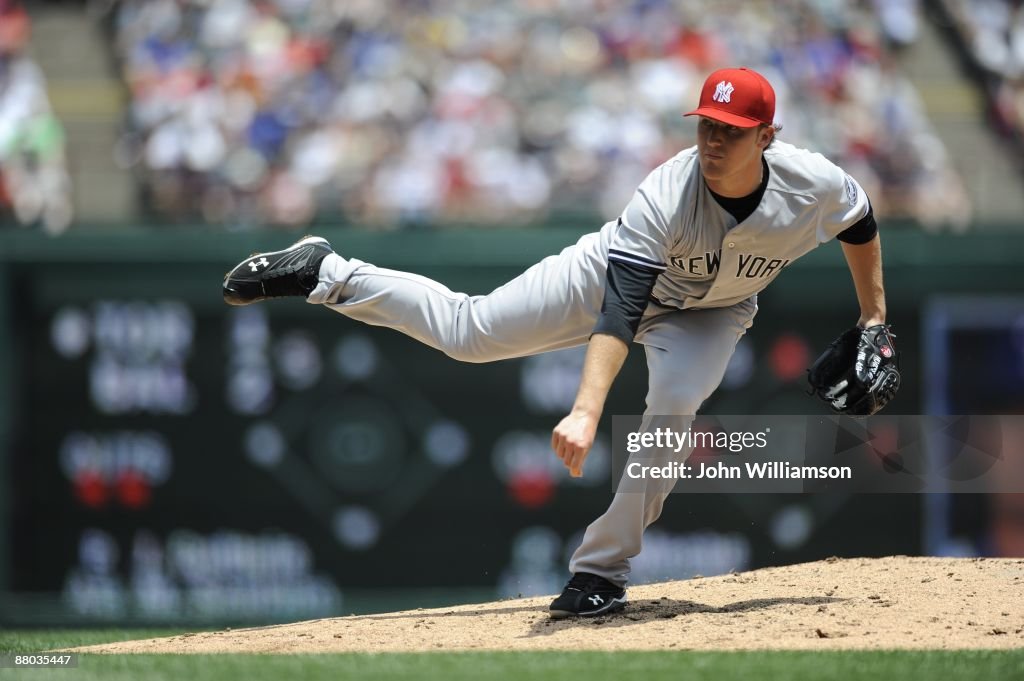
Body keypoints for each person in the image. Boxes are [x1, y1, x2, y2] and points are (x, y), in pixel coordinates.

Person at [223, 67, 888, 618]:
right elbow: (620, 311)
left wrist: (874, 319)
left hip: (712, 312)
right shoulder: (666, 193)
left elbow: (858, 221)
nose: (713, 142)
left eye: (732, 132)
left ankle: (600, 572)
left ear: (768, 136)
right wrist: (587, 408)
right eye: (707, 126)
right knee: (470, 331)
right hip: (608, 276)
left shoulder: (814, 183)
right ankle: (328, 271)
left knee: (676, 403)